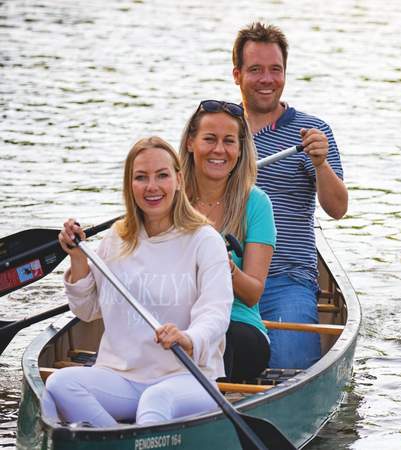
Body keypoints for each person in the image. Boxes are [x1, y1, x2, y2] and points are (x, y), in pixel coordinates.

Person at [45, 137, 232, 427]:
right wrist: (77, 258)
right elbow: (87, 311)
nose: (152, 187)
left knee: (155, 400)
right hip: (120, 377)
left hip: (186, 378)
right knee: (58, 385)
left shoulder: (204, 240)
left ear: (179, 180)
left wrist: (188, 337)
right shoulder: (116, 238)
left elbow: (216, 313)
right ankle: (116, 443)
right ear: (130, 185)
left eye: (162, 176)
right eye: (141, 177)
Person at [231, 22, 348, 369]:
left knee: (289, 371)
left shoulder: (312, 132)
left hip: (287, 278)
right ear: (237, 74)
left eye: (275, 70)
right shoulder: (219, 131)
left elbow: (338, 209)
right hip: (222, 276)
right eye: (255, 70)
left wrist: (321, 164)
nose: (267, 79)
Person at [179, 99, 276, 382]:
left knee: (223, 339)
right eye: (209, 139)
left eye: (229, 141)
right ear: (190, 143)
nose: (219, 150)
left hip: (236, 324)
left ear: (239, 149)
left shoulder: (256, 203)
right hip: (177, 317)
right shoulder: (168, 197)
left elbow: (252, 293)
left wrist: (224, 266)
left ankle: (207, 406)